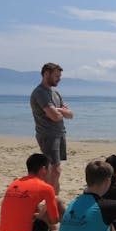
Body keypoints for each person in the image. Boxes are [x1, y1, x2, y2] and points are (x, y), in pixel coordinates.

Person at [0, 153, 64, 231]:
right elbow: (54, 220)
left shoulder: (15, 183)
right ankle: (71, 228)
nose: (50, 172)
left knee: (34, 206)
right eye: (50, 169)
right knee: (57, 201)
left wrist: (38, 213)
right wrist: (43, 214)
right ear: (43, 169)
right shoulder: (46, 188)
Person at [30, 62, 73, 194]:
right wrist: (60, 112)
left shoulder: (55, 93)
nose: (59, 79)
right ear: (46, 74)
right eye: (56, 76)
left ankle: (53, 198)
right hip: (48, 135)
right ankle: (49, 199)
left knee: (54, 170)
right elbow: (54, 116)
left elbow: (70, 115)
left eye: (60, 76)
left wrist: (58, 110)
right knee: (54, 170)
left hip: (59, 133)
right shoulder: (40, 92)